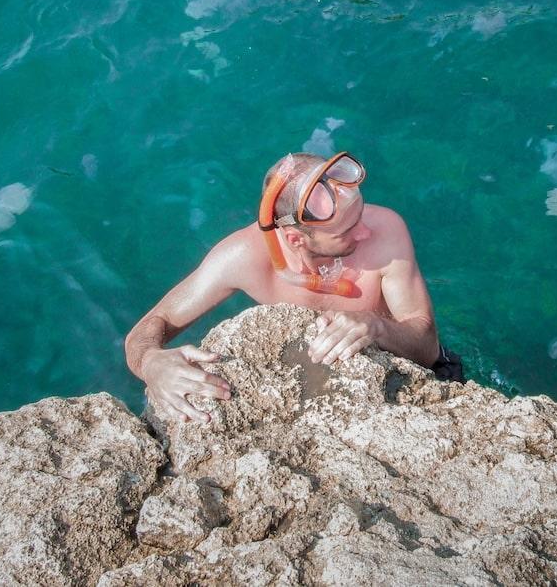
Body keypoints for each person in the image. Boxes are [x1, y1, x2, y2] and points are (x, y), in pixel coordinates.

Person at [125, 151, 463, 422]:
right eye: (346, 231)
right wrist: (152, 363)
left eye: (360, 216)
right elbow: (150, 327)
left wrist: (376, 325)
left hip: (409, 367)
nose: (365, 232)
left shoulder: (386, 228)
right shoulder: (243, 257)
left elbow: (428, 347)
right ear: (294, 238)